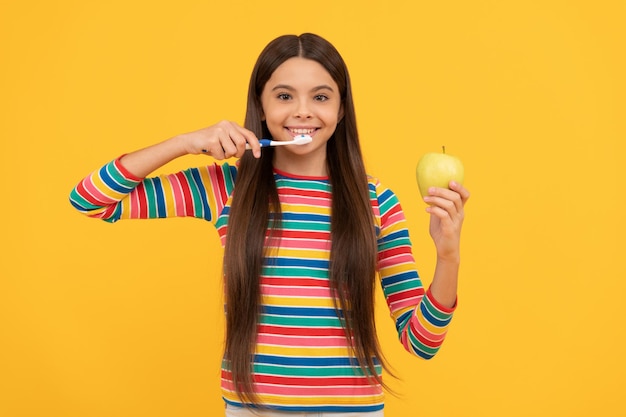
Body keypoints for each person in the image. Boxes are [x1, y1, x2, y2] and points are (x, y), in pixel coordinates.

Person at [69, 33, 470, 416]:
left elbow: (421, 342)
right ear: (260, 106)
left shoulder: (377, 202)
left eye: (321, 97)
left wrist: (448, 255)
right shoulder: (227, 187)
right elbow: (90, 199)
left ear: (341, 109)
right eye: (283, 96)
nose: (302, 111)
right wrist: (185, 142)